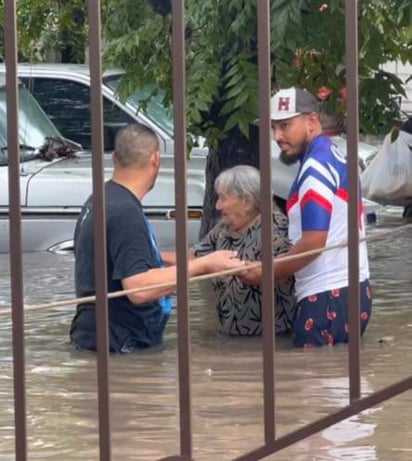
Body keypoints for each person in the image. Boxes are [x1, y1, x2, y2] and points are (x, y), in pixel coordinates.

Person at [70, 123, 245, 353]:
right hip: (120, 346)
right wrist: (205, 265)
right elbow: (138, 288)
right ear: (156, 159)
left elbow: (122, 264)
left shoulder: (99, 200)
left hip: (96, 339)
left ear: (114, 157)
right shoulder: (125, 212)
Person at [241, 87, 372, 347]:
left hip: (325, 296)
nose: (277, 136)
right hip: (354, 287)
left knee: (313, 384)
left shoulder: (315, 168)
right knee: (340, 382)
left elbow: (313, 241)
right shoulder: (335, 156)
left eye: (285, 126)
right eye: (274, 127)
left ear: (312, 121)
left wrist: (266, 272)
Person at [190, 165, 296, 336]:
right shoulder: (223, 229)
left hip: (272, 339)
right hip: (231, 336)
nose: (217, 206)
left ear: (246, 201)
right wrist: (153, 257)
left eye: (223, 198)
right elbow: (193, 258)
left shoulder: (276, 231)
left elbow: (270, 273)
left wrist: (235, 267)